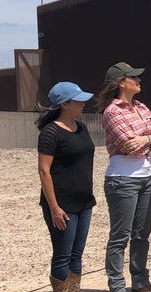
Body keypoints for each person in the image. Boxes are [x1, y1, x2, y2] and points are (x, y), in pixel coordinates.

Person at [96, 62, 151, 292]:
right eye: (133, 78)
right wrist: (149, 138)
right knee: (120, 235)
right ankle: (116, 285)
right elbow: (129, 145)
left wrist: (146, 139)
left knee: (141, 234)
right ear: (120, 83)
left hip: (147, 175)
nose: (138, 81)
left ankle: (139, 280)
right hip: (122, 179)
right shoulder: (112, 111)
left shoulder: (141, 107)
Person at [36, 82, 95, 292]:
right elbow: (44, 170)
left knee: (77, 253)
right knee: (63, 254)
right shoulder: (50, 133)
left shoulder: (82, 128)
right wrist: (54, 208)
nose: (83, 103)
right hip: (62, 204)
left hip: (84, 201)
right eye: (78, 100)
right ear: (65, 104)